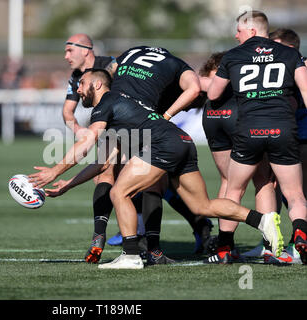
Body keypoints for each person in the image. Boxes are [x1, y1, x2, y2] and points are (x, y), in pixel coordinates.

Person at [30, 66, 283, 269]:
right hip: (182, 141)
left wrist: (55, 171)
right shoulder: (120, 106)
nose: (78, 88)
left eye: (82, 84)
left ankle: (130, 255)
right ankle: (263, 220)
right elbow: (103, 162)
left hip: (163, 145)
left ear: (97, 84)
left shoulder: (105, 103)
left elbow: (86, 142)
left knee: (119, 192)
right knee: (201, 206)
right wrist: (68, 185)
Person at [207, 11, 307, 265]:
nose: (235, 35)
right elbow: (305, 90)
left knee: (234, 190)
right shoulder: (290, 53)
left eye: (238, 31)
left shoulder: (233, 55)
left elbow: (214, 93)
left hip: (249, 130)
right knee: (294, 193)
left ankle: (224, 248)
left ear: (251, 31)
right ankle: (299, 237)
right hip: (282, 129)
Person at [199, 52, 280, 264]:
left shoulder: (210, 74)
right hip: (240, 114)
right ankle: (271, 248)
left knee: (228, 181)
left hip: (213, 115)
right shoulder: (242, 64)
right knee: (263, 181)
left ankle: (225, 247)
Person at [242, 28, 307, 263]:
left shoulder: (299, 66)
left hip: (300, 135)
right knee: (271, 188)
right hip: (279, 135)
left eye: (277, 47)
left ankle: (297, 244)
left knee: (298, 193)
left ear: (290, 49)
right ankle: (271, 242)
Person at [62, 34, 119, 263]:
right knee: (105, 176)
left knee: (155, 182)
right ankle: (104, 236)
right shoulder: (76, 77)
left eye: (69, 51)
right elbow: (67, 112)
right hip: (108, 129)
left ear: (85, 50)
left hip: (131, 126)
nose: (66, 57)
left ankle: (199, 226)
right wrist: (79, 131)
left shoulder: (111, 65)